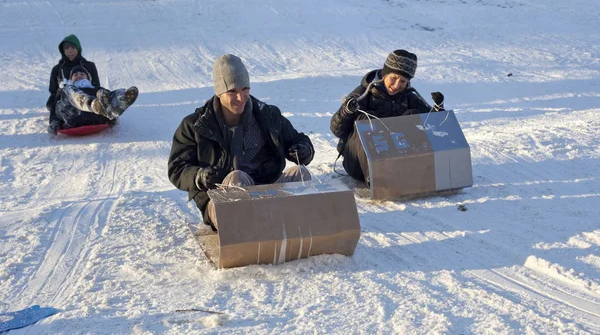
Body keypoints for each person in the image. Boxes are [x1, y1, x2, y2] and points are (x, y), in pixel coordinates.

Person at [168, 54, 315, 230]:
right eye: (232, 91)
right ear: (219, 92)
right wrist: (199, 175)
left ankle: (299, 230)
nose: (241, 97)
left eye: (245, 89)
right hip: (222, 198)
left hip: (267, 189)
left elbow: (298, 139)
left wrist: (303, 149)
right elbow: (177, 168)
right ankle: (249, 235)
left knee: (300, 173)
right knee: (237, 178)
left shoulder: (267, 115)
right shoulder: (195, 125)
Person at [330, 50, 445, 185]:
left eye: (402, 81)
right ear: (385, 74)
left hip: (396, 162)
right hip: (358, 163)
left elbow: (434, 128)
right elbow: (337, 130)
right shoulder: (363, 93)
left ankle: (417, 168)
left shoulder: (408, 96)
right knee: (366, 119)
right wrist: (346, 111)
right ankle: (375, 177)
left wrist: (438, 110)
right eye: (394, 78)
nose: (397, 85)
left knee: (413, 115)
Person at [48, 66, 139, 133]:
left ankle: (117, 105)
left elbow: (106, 96)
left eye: (82, 74)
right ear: (71, 78)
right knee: (68, 90)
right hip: (73, 117)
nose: (79, 75)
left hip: (96, 118)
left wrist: (112, 119)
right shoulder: (67, 89)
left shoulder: (96, 89)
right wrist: (54, 122)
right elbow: (54, 109)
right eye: (75, 74)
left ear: (88, 78)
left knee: (110, 93)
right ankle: (93, 105)